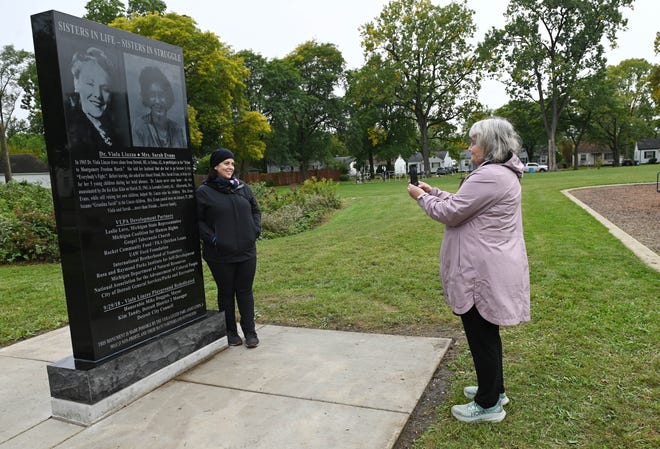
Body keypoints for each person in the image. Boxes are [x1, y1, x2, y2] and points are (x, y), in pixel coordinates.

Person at [407, 117, 530, 423]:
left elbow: (451, 213)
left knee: (481, 336)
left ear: (489, 145)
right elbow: (464, 203)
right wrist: (434, 190)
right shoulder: (500, 174)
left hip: (481, 271)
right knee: (488, 334)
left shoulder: (489, 176)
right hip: (491, 265)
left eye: (474, 141)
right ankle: (495, 389)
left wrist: (421, 197)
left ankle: (488, 405)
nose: (470, 147)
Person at [196, 148, 261, 348]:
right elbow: (198, 221)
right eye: (226, 163)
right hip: (219, 254)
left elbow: (255, 210)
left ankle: (250, 332)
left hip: (246, 251)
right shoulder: (204, 192)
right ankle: (230, 332)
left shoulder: (242, 188)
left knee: (245, 291)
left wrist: (254, 230)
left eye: (232, 163)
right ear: (215, 166)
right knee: (226, 292)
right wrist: (214, 239)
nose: (230, 167)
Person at [65, 47, 126, 150]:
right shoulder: (71, 130)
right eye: (90, 83)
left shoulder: (117, 129)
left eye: (105, 88)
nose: (98, 94)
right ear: (77, 83)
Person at [132, 66, 187, 148]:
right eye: (152, 95)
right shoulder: (140, 126)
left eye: (161, 95)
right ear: (146, 96)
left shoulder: (177, 129)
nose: (157, 101)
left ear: (169, 97)